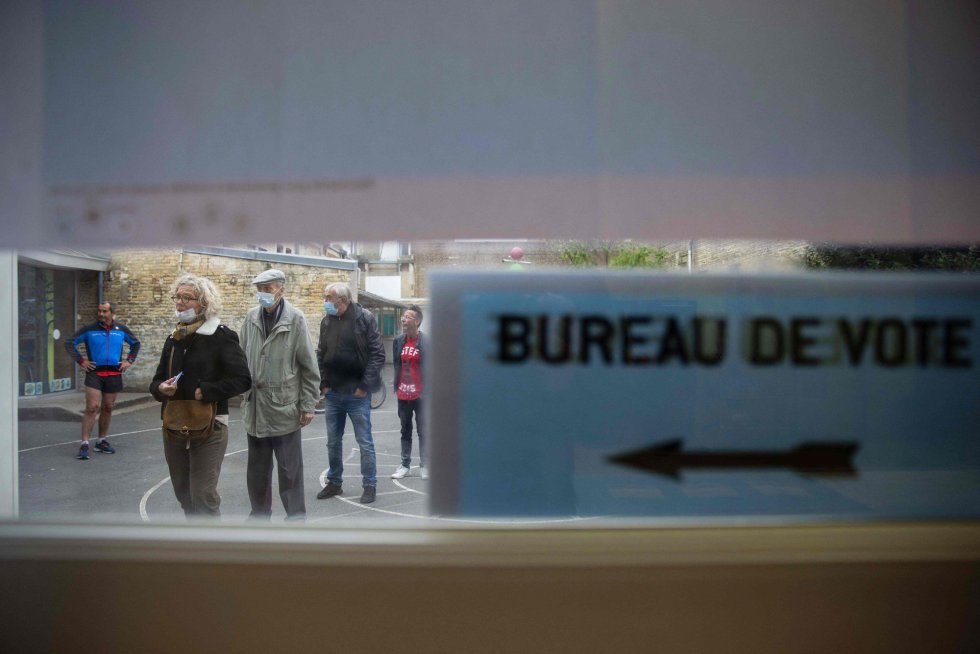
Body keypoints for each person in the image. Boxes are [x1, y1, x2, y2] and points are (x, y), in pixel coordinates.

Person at [150, 274, 251, 518]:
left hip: (211, 425)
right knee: (183, 493)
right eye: (178, 297)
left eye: (188, 298)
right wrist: (160, 388)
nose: (180, 303)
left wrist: (207, 390)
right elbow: (156, 380)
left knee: (203, 494)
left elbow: (243, 379)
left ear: (203, 304)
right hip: (174, 424)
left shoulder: (220, 335)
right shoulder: (173, 338)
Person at [240, 269, 320, 521]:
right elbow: (241, 357)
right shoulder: (251, 318)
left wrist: (308, 404)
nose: (262, 294)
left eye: (268, 289)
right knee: (257, 471)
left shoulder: (295, 319)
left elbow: (309, 366)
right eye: (259, 289)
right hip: (255, 409)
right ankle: (259, 515)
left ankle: (296, 518)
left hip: (284, 408)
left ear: (281, 290)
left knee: (290, 471)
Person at [315, 282, 385, 504]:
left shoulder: (364, 318)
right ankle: (334, 483)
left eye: (328, 297)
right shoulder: (326, 321)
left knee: (365, 442)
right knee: (333, 442)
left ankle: (369, 485)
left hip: (357, 395)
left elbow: (377, 354)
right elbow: (321, 353)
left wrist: (364, 386)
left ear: (342, 300)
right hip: (333, 393)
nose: (325, 301)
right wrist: (323, 384)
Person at [65, 301, 141, 460]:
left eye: (104, 311)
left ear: (112, 313)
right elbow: (69, 343)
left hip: (114, 373)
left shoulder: (120, 329)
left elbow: (135, 344)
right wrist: (81, 361)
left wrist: (129, 361)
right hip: (95, 373)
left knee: (107, 407)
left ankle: (101, 441)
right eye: (99, 311)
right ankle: (84, 443)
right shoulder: (89, 329)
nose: (101, 314)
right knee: (92, 407)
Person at [391, 304, 427, 479]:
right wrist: (396, 386)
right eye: (403, 317)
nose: (403, 320)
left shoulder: (427, 342)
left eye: (408, 317)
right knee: (405, 430)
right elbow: (396, 365)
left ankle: (425, 465)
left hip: (421, 396)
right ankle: (405, 465)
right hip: (403, 395)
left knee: (423, 430)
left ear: (417, 321)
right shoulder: (398, 341)